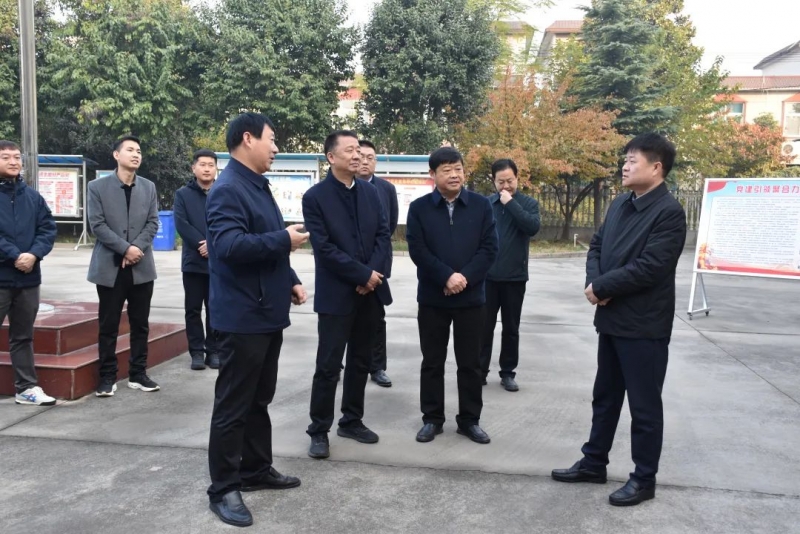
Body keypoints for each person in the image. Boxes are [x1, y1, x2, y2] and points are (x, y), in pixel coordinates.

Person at [551, 133, 687, 507]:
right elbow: (597, 245)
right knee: (605, 397)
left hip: (644, 326)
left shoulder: (669, 212)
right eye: (624, 160)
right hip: (611, 318)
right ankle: (594, 462)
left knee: (644, 407)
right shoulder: (620, 204)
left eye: (632, 160)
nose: (624, 167)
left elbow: (652, 267)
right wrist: (595, 283)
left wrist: (605, 286)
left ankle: (644, 479)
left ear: (656, 168)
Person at [205, 112, 309, 527]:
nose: (276, 148)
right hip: (242, 315)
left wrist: (291, 280)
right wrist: (284, 240)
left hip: (266, 310)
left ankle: (255, 469)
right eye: (272, 139)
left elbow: (266, 242)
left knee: (259, 399)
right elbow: (229, 246)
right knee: (234, 405)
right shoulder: (228, 189)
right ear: (248, 139)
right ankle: (223, 488)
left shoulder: (256, 185)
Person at [303, 130, 392, 460]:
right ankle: (319, 429)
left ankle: (352, 420)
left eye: (359, 150)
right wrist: (361, 274)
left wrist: (373, 275)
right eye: (350, 150)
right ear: (331, 157)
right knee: (328, 364)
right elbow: (324, 248)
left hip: (370, 292)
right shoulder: (315, 197)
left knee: (360, 361)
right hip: (336, 295)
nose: (357, 156)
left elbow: (383, 236)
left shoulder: (371, 193)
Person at [406, 146, 498, 444]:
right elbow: (417, 249)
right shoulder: (419, 208)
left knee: (470, 363)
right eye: (447, 170)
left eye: (458, 168)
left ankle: (469, 420)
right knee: (432, 361)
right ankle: (432, 419)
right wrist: (445, 276)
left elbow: (489, 249)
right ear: (433, 174)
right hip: (433, 298)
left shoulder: (481, 206)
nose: (454, 175)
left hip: (471, 299)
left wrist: (463, 279)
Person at [87, 135, 160, 397]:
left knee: (140, 324)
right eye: (130, 150)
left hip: (141, 268)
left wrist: (136, 248)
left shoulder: (149, 187)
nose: (136, 154)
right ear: (116, 155)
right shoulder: (97, 187)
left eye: (138, 150)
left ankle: (138, 374)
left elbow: (153, 222)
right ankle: (107, 377)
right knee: (108, 325)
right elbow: (97, 225)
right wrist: (125, 248)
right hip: (110, 268)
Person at [0, 140, 57, 406]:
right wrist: (15, 255)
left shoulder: (33, 197)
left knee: (23, 336)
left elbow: (47, 229)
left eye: (16, 157)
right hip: (2, 277)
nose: (13, 162)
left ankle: (26, 388)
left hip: (28, 279)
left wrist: (34, 254)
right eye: (5, 157)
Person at [480, 159, 540, 392]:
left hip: (515, 277)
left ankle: (507, 373)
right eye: (500, 182)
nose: (505, 186)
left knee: (511, 328)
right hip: (487, 278)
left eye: (510, 181)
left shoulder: (528, 203)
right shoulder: (486, 204)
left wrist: (511, 203)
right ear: (494, 181)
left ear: (517, 178)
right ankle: (480, 371)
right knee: (483, 327)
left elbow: (532, 227)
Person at [355, 139, 398, 388]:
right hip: (349, 267)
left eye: (370, 157)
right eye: (360, 156)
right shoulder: (343, 186)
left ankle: (377, 366)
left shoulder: (386, 189)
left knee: (376, 318)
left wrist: (374, 266)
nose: (364, 161)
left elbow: (389, 227)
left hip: (378, 265)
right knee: (344, 319)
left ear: (376, 161)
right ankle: (340, 363)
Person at [174, 149, 220, 371]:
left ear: (216, 169)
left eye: (211, 165)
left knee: (215, 308)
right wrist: (202, 244)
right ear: (194, 168)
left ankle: (214, 351)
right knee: (193, 309)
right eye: (202, 164)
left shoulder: (223, 192)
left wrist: (213, 245)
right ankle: (196, 352)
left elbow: (228, 222)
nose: (207, 169)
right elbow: (181, 224)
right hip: (193, 262)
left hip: (218, 262)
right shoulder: (183, 194)